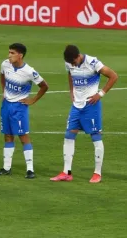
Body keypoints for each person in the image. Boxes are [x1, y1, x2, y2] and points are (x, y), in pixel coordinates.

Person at [50, 45, 118, 183]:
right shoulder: (69, 63)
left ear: (78, 56)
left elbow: (113, 76)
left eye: (74, 62)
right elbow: (70, 74)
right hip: (76, 106)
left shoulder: (93, 63)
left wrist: (100, 94)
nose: (72, 65)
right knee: (69, 135)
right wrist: (71, 91)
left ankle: (97, 173)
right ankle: (66, 172)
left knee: (96, 136)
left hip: (91, 105)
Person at [0, 43, 48, 179]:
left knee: (23, 137)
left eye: (12, 53)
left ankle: (30, 169)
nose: (9, 55)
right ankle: (6, 168)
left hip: (19, 107)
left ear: (20, 55)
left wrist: (33, 100)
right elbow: (2, 75)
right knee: (7, 135)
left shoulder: (29, 71)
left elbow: (44, 86)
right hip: (6, 105)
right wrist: (3, 91)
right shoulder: (5, 64)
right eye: (9, 52)